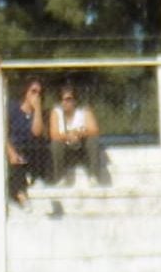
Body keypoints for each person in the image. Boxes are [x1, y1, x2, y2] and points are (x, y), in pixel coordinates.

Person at [49, 85, 109, 186]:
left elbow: (94, 130)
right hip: (65, 149)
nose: (65, 102)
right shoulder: (56, 112)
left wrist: (78, 134)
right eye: (62, 99)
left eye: (68, 99)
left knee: (93, 140)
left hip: (82, 148)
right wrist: (68, 136)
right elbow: (54, 135)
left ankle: (93, 177)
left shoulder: (84, 111)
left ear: (74, 101)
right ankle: (60, 178)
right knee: (56, 144)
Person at [7, 77, 51, 206]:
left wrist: (37, 110)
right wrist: (11, 152)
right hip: (13, 146)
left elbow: (37, 132)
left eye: (39, 93)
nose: (36, 96)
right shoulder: (13, 109)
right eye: (33, 91)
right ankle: (20, 195)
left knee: (39, 146)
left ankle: (36, 179)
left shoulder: (40, 113)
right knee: (16, 162)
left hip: (31, 147)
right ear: (26, 92)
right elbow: (4, 134)